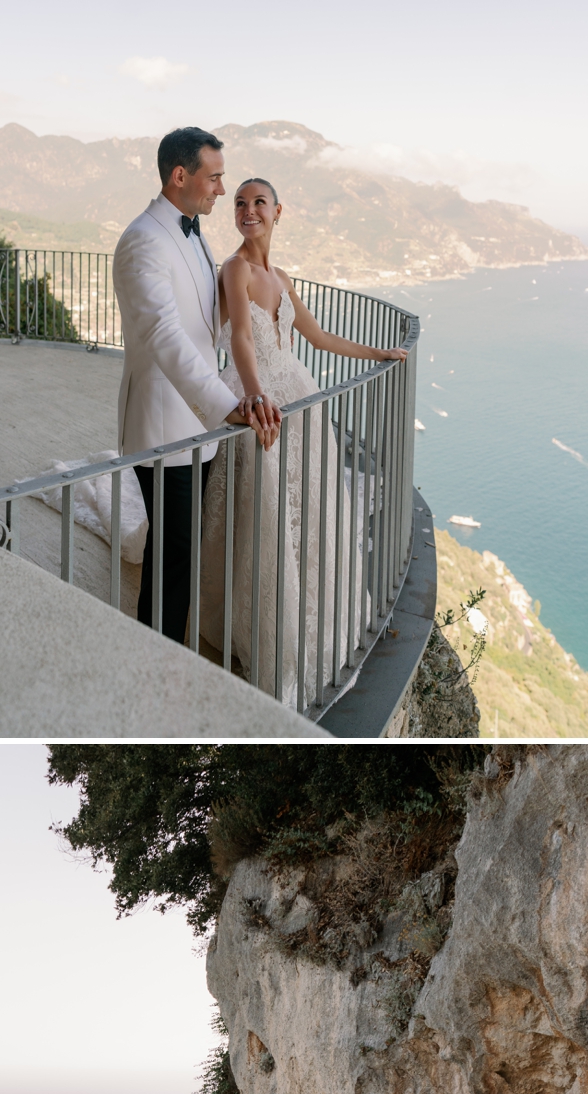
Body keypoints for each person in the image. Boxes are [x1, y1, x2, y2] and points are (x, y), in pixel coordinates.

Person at [199, 176, 407, 706]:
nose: (248, 211)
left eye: (258, 203)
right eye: (240, 204)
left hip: (300, 396)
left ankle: (308, 604)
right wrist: (254, 396)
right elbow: (242, 337)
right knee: (263, 511)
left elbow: (316, 338)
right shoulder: (235, 269)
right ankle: (262, 625)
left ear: (277, 212)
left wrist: (377, 354)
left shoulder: (282, 276)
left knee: (306, 508)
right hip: (261, 399)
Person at [112, 127, 279, 647]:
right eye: (215, 177)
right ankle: (154, 661)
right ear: (180, 176)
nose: (222, 191)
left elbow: (207, 323)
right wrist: (228, 404)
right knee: (173, 559)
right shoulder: (143, 240)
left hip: (195, 427)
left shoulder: (193, 233)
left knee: (180, 553)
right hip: (164, 426)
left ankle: (167, 654)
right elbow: (164, 335)